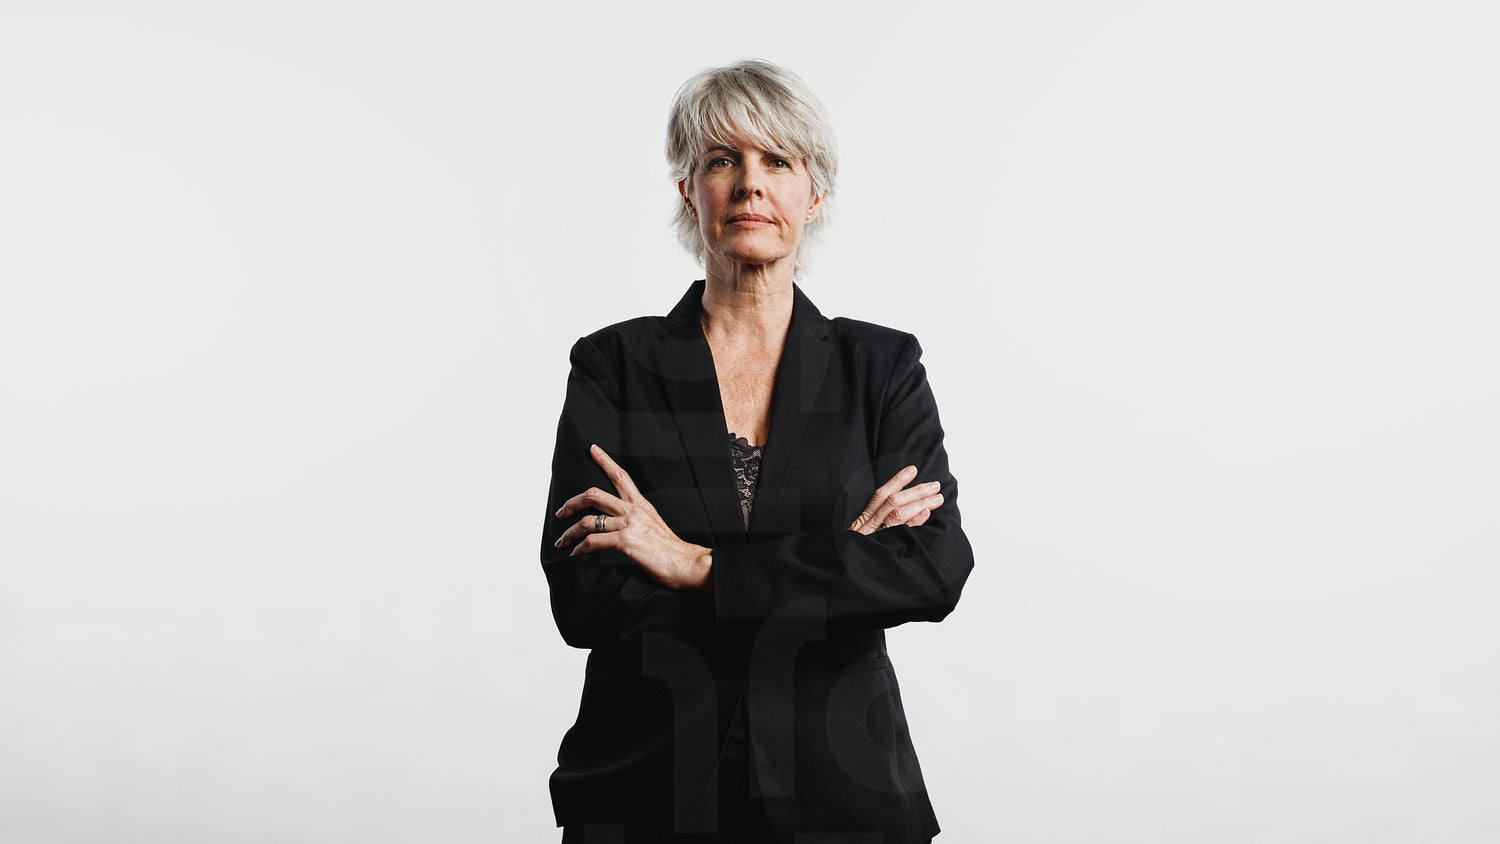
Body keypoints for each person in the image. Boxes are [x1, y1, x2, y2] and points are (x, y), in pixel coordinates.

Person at [540, 59, 974, 843]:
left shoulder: (880, 367)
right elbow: (586, 596)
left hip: (842, 791)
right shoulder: (614, 366)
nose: (750, 185)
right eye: (721, 161)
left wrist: (696, 566)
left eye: (777, 160)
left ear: (815, 195)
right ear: (688, 191)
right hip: (646, 790)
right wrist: (841, 563)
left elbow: (932, 569)